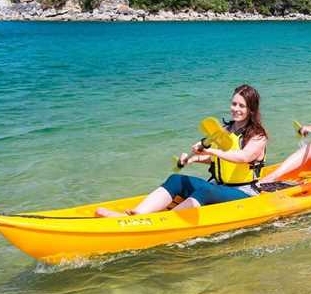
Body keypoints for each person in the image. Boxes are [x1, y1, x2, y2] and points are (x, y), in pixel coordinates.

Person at [96, 84, 268, 217]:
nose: (236, 109)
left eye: (242, 106)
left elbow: (243, 157)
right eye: (234, 103)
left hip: (244, 193)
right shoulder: (225, 129)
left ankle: (163, 221)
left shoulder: (258, 136)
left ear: (251, 109)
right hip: (220, 187)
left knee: (206, 190)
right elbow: (220, 159)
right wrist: (195, 159)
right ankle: (138, 214)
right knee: (176, 179)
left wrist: (212, 152)